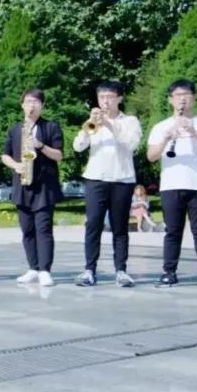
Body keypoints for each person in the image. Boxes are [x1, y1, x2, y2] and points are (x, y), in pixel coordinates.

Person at [146, 79, 197, 290]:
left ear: (194, 97)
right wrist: (166, 138)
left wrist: (194, 132)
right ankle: (169, 272)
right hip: (171, 185)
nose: (182, 99)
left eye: (187, 94)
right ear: (170, 100)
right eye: (178, 95)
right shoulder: (161, 126)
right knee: (172, 231)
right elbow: (151, 156)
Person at [72, 81, 142, 287]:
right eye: (101, 97)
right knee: (93, 224)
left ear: (119, 98)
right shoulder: (93, 122)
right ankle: (89, 270)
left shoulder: (130, 121)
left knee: (120, 227)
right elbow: (78, 146)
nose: (105, 101)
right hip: (96, 178)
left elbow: (131, 144)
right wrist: (89, 126)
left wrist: (110, 125)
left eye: (110, 97)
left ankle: (121, 270)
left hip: (122, 179)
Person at [1, 89, 64, 287]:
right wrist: (15, 165)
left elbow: (59, 155)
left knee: (43, 229)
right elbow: (4, 155)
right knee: (27, 230)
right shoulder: (15, 129)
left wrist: (40, 145)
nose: (32, 105)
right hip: (22, 184)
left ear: (42, 106)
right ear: (22, 105)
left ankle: (45, 270)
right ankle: (33, 268)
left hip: (44, 186)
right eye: (28, 101)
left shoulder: (51, 127)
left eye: (36, 102)